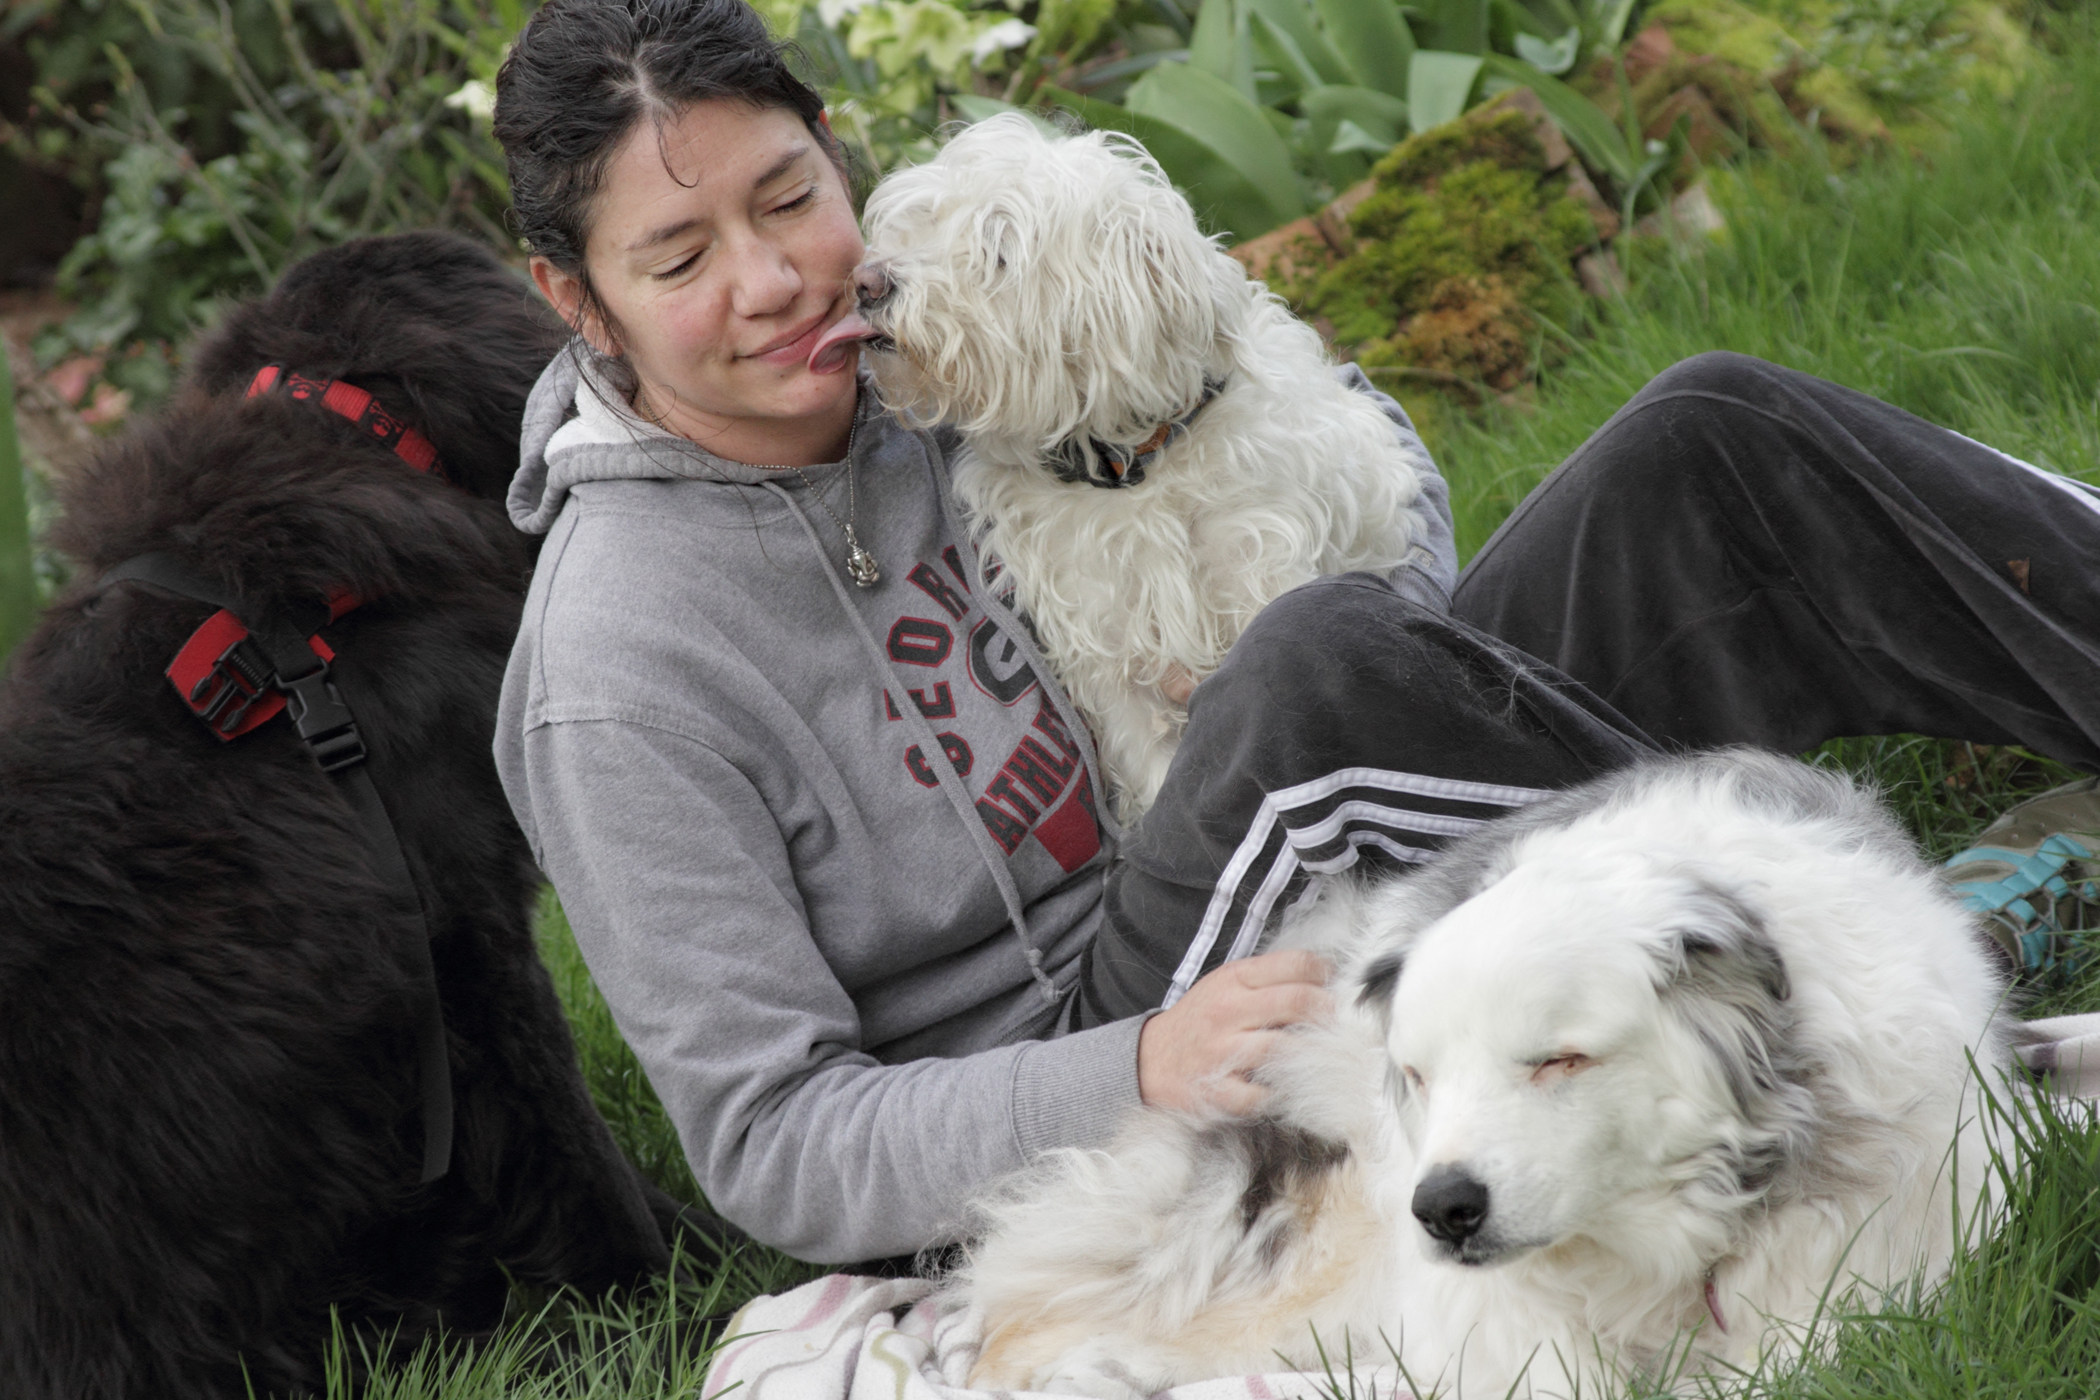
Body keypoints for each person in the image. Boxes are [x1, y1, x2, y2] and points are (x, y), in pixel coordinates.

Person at [488, 0, 2100, 1265]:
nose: (777, 283)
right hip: (1104, 1049)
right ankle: (1882, 1018)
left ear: (841, 161)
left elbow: (1288, 413)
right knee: (1318, 664)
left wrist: (1393, 597)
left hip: (1288, 795)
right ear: (577, 299)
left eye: (790, 199)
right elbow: (775, 1141)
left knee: (1698, 439)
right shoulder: (619, 678)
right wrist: (1129, 1069)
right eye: (682, 259)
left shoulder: (942, 326)